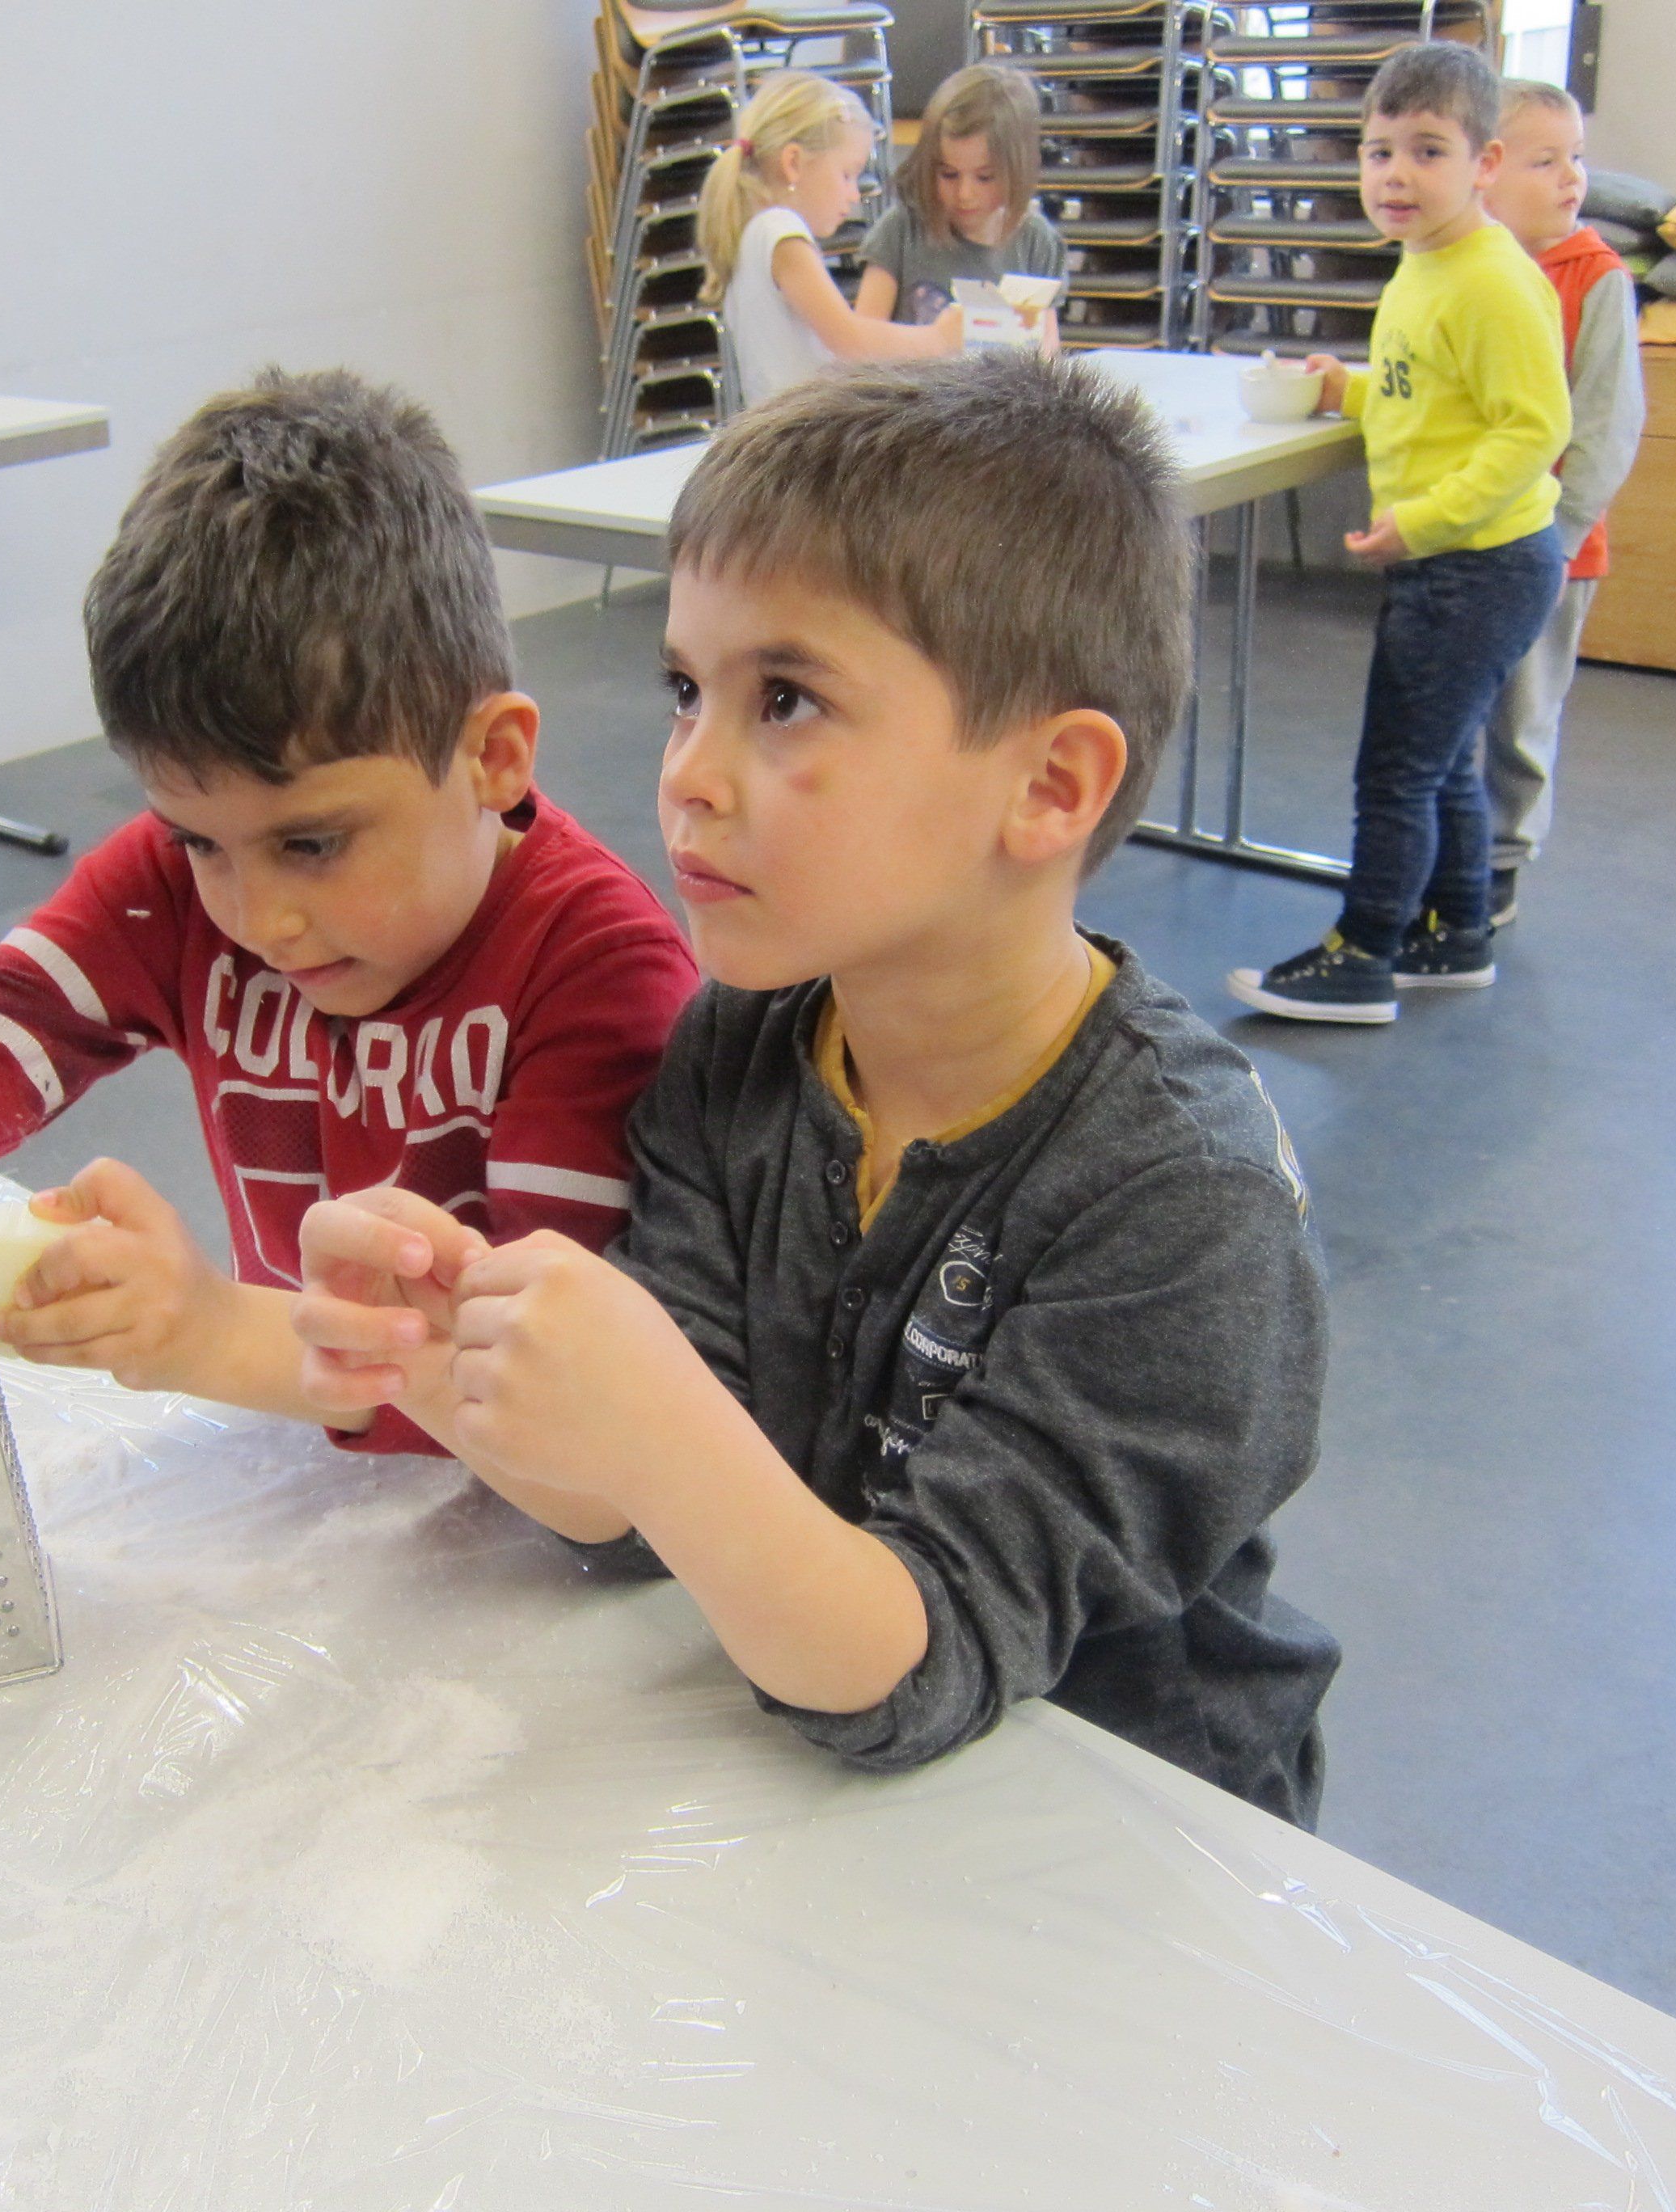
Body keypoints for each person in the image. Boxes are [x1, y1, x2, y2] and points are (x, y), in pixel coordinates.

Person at [292, 352, 1340, 1823]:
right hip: (850, 1800)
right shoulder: (743, 1048)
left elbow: (919, 1665)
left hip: (1132, 1840)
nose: (686, 774)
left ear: (1048, 786)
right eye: (685, 691)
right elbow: (641, 1514)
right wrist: (447, 1362)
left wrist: (651, 1415)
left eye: (783, 700)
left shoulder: (1182, 1200)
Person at [0, 368, 699, 1451]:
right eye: (198, 840)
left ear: (493, 756)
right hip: (324, 1467)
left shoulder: (598, 973)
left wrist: (211, 1333)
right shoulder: (176, 891)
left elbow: (552, 1396)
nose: (258, 919)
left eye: (312, 844)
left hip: (548, 1523)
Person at [1227, 40, 1573, 1024]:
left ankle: (1365, 953)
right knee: (1443, 758)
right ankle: (1454, 932)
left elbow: (1534, 430)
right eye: (1379, 152)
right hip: (1459, 561)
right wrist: (1354, 391)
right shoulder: (1427, 267)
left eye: (1427, 151)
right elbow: (1433, 396)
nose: (1396, 176)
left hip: (1477, 563)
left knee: (1397, 770)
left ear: (1485, 164)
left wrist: (1422, 520)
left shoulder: (1491, 280)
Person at [1478, 78, 1644, 928]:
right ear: (1486, 172)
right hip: (1466, 542)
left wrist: (1560, 534)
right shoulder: (1469, 271)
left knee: (1522, 712)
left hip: (1550, 549)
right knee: (1459, 710)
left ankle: (1502, 858)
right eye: (1545, 161)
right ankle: (1453, 849)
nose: (1572, 177)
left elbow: (1609, 425)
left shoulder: (1597, 279)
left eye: (1576, 157)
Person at [703, 70, 960, 405]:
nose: (854, 194)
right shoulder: (781, 233)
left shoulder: (754, 233)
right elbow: (849, 341)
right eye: (847, 175)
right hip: (805, 429)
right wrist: (938, 339)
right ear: (793, 163)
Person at [855, 61, 1065, 353]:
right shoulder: (900, 231)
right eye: (949, 174)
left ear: (1018, 171)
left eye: (985, 177)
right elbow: (860, 344)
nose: (965, 194)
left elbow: (1047, 350)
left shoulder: (1038, 243)